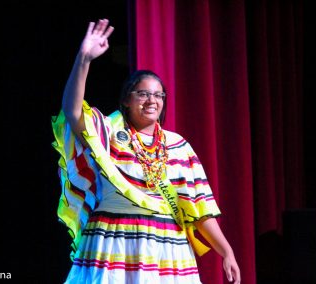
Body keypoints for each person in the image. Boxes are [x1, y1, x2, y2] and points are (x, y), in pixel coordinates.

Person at [52, 19, 241, 284]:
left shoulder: (178, 146)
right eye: (143, 94)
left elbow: (199, 209)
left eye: (158, 95)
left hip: (167, 250)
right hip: (114, 243)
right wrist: (84, 59)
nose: (152, 100)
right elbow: (72, 112)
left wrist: (226, 251)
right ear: (127, 100)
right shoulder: (106, 132)